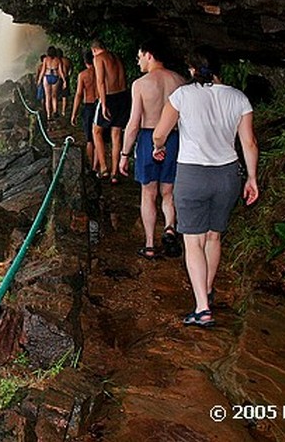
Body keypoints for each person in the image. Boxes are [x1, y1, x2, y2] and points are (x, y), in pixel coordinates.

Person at [151, 47, 259, 328]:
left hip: (193, 175)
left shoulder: (182, 96)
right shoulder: (238, 98)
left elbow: (161, 133)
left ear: (191, 70)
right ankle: (207, 291)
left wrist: (157, 148)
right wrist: (252, 178)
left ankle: (202, 308)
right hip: (227, 176)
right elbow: (249, 143)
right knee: (213, 238)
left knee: (193, 242)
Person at [118, 40, 185, 260]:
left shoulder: (141, 84)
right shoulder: (180, 81)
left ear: (149, 55)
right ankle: (169, 227)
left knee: (148, 193)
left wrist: (124, 154)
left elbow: (134, 123)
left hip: (149, 137)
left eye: (139, 57)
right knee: (169, 191)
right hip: (174, 138)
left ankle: (149, 244)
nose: (138, 62)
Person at [91, 39, 129, 181]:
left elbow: (100, 81)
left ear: (94, 50)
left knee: (96, 131)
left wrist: (104, 104)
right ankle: (115, 173)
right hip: (123, 96)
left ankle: (104, 168)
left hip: (109, 96)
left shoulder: (98, 58)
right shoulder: (116, 57)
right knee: (116, 135)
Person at [70, 50, 99, 171]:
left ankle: (91, 167)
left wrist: (74, 114)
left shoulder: (83, 75)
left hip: (88, 106)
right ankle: (97, 168)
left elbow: (78, 95)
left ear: (85, 61)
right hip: (100, 105)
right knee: (99, 138)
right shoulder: (101, 73)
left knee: (89, 140)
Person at [36, 46, 65, 120]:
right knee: (54, 96)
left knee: (47, 97)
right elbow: (61, 72)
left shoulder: (45, 59)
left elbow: (43, 71)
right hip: (55, 77)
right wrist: (64, 81)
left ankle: (48, 115)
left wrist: (39, 80)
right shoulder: (58, 60)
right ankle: (55, 111)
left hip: (47, 76)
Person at [58, 48, 73, 118]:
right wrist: (68, 75)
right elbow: (71, 69)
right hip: (66, 77)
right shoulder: (67, 60)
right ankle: (63, 111)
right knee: (65, 95)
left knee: (55, 95)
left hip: (59, 78)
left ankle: (55, 111)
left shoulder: (57, 61)